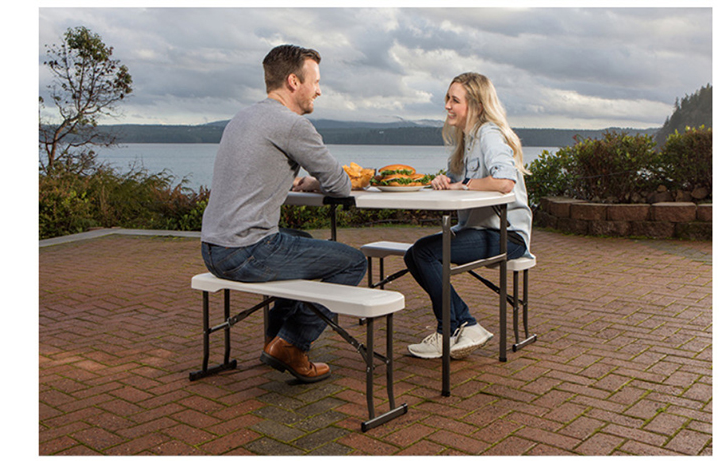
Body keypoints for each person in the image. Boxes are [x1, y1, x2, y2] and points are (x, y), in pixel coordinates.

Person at [200, 45, 367, 383]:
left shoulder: (242, 117)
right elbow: (340, 184)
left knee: (302, 241)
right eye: (315, 82)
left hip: (212, 248)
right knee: (353, 262)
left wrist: (305, 181)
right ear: (294, 81)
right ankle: (291, 344)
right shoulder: (291, 125)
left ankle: (273, 340)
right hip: (246, 251)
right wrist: (318, 181)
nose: (319, 90)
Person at [404, 72, 533, 360]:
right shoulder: (467, 140)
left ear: (474, 105)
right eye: (447, 99)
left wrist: (462, 185)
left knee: (425, 253)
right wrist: (444, 181)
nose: (447, 106)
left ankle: (456, 327)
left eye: (454, 100)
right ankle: (460, 325)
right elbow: (456, 183)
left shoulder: (488, 134)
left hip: (507, 236)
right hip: (478, 231)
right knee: (414, 254)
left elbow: (504, 182)